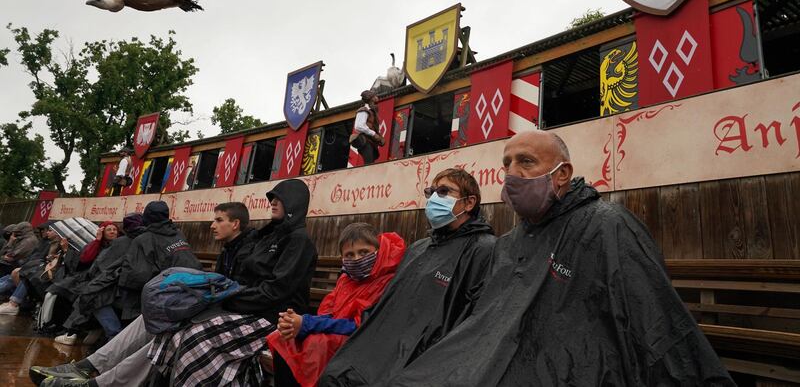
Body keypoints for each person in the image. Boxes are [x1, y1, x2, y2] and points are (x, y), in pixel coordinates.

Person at [383, 130, 735, 386]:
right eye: (507, 163)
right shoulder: (510, 243)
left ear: (562, 174)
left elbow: (654, 325)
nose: (513, 172)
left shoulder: (606, 226)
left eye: (527, 161)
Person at [30, 204, 246, 387]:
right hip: (186, 296)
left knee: (160, 325)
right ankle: (86, 367)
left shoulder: (144, 239)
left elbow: (131, 276)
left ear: (235, 224)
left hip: (180, 298)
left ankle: (96, 380)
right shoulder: (184, 236)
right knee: (146, 317)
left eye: (218, 220)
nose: (211, 225)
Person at [320, 168, 496, 386]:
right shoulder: (418, 249)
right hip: (384, 348)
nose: (433, 198)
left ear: (469, 203)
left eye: (443, 191)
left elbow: (472, 321)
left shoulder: (483, 250)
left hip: (427, 359)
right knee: (334, 374)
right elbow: (388, 307)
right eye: (430, 192)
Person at [147, 179, 319, 387]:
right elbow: (248, 278)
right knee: (180, 327)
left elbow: (276, 290)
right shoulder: (270, 236)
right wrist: (223, 297)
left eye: (279, 198)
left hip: (277, 317)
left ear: (294, 203)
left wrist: (231, 300)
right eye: (272, 198)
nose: (273, 202)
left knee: (196, 338)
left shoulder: (299, 240)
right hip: (252, 307)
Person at [269, 223, 406, 387]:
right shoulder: (347, 279)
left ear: (378, 250)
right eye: (349, 254)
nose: (357, 259)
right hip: (339, 333)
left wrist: (307, 323)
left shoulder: (387, 281)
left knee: (316, 345)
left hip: (366, 341)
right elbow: (331, 311)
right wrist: (296, 322)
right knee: (283, 336)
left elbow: (362, 325)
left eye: (364, 252)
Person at [116, 201, 203, 322]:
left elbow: (136, 276)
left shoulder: (143, 239)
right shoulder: (179, 234)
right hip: (192, 290)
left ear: (146, 217)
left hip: (163, 298)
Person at [0, 222, 65, 315]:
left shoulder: (60, 246)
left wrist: (59, 255)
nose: (46, 233)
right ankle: (12, 302)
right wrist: (10, 242)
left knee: (27, 276)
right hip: (36, 267)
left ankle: (13, 304)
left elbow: (13, 255)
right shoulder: (45, 243)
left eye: (49, 231)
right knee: (12, 275)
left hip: (49, 273)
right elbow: (5, 254)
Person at [350, 90, 385, 165]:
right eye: (375, 96)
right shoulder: (363, 110)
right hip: (366, 141)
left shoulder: (371, 112)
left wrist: (379, 137)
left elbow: (372, 127)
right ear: (371, 98)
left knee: (371, 163)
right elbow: (358, 126)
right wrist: (373, 134)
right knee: (369, 164)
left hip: (370, 142)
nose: (377, 97)